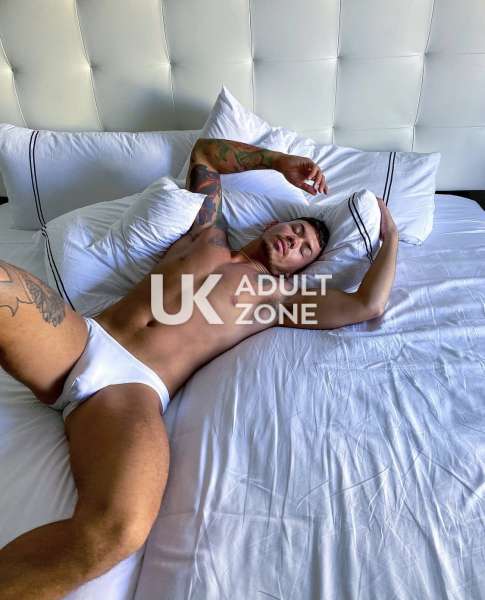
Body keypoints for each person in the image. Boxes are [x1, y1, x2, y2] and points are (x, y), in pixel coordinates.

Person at [0, 138, 399, 599]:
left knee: (119, 531)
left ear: (300, 269)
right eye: (294, 229)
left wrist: (390, 237)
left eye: (304, 248)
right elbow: (206, 155)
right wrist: (278, 162)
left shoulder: (279, 302)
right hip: (81, 341)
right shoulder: (207, 233)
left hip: (131, 393)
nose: (294, 240)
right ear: (271, 224)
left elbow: (367, 304)